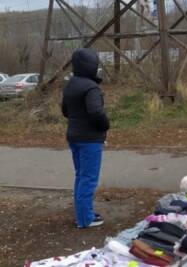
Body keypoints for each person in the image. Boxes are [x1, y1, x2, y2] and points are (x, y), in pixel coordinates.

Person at [62, 48, 110, 228]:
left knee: (81, 176)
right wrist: (105, 125)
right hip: (90, 139)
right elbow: (96, 112)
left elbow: (65, 111)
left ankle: (83, 213)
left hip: (73, 136)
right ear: (90, 66)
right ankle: (85, 219)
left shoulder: (70, 84)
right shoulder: (91, 87)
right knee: (88, 179)